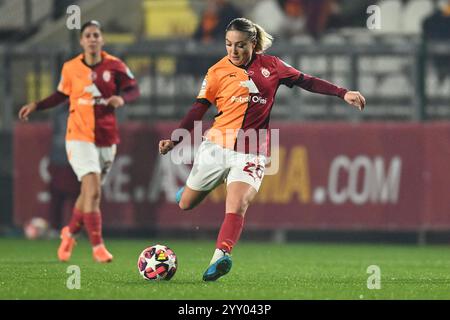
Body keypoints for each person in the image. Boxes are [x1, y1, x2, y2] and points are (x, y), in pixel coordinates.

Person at [159, 17, 365, 281]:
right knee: (186, 204)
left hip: (252, 150)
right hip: (216, 147)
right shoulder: (216, 72)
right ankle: (187, 191)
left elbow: (307, 80)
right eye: (228, 45)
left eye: (240, 45)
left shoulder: (273, 66)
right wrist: (175, 140)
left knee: (238, 203)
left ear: (253, 44)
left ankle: (221, 255)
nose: (233, 51)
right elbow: (198, 109)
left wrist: (342, 92)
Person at [18, 20, 140, 263]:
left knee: (88, 194)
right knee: (93, 191)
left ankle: (69, 233)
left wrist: (121, 99)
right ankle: (98, 247)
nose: (93, 38)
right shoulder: (71, 68)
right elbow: (61, 95)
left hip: (106, 138)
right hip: (78, 136)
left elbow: (134, 89)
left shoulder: (115, 65)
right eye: (88, 35)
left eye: (96, 34)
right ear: (82, 41)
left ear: (102, 39)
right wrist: (37, 105)